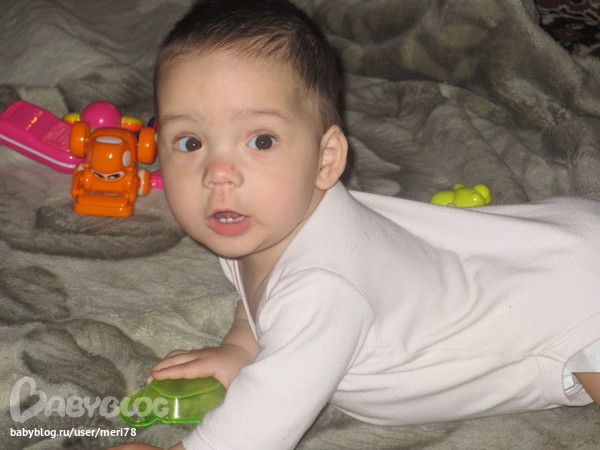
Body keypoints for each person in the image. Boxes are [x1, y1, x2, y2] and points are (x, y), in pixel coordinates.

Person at [111, 0, 600, 448]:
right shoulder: (264, 219)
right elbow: (258, 297)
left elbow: (263, 418)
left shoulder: (323, 286)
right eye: (190, 142)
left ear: (326, 159)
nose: (218, 173)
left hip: (572, 301)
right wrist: (240, 349)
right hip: (551, 246)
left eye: (260, 141)